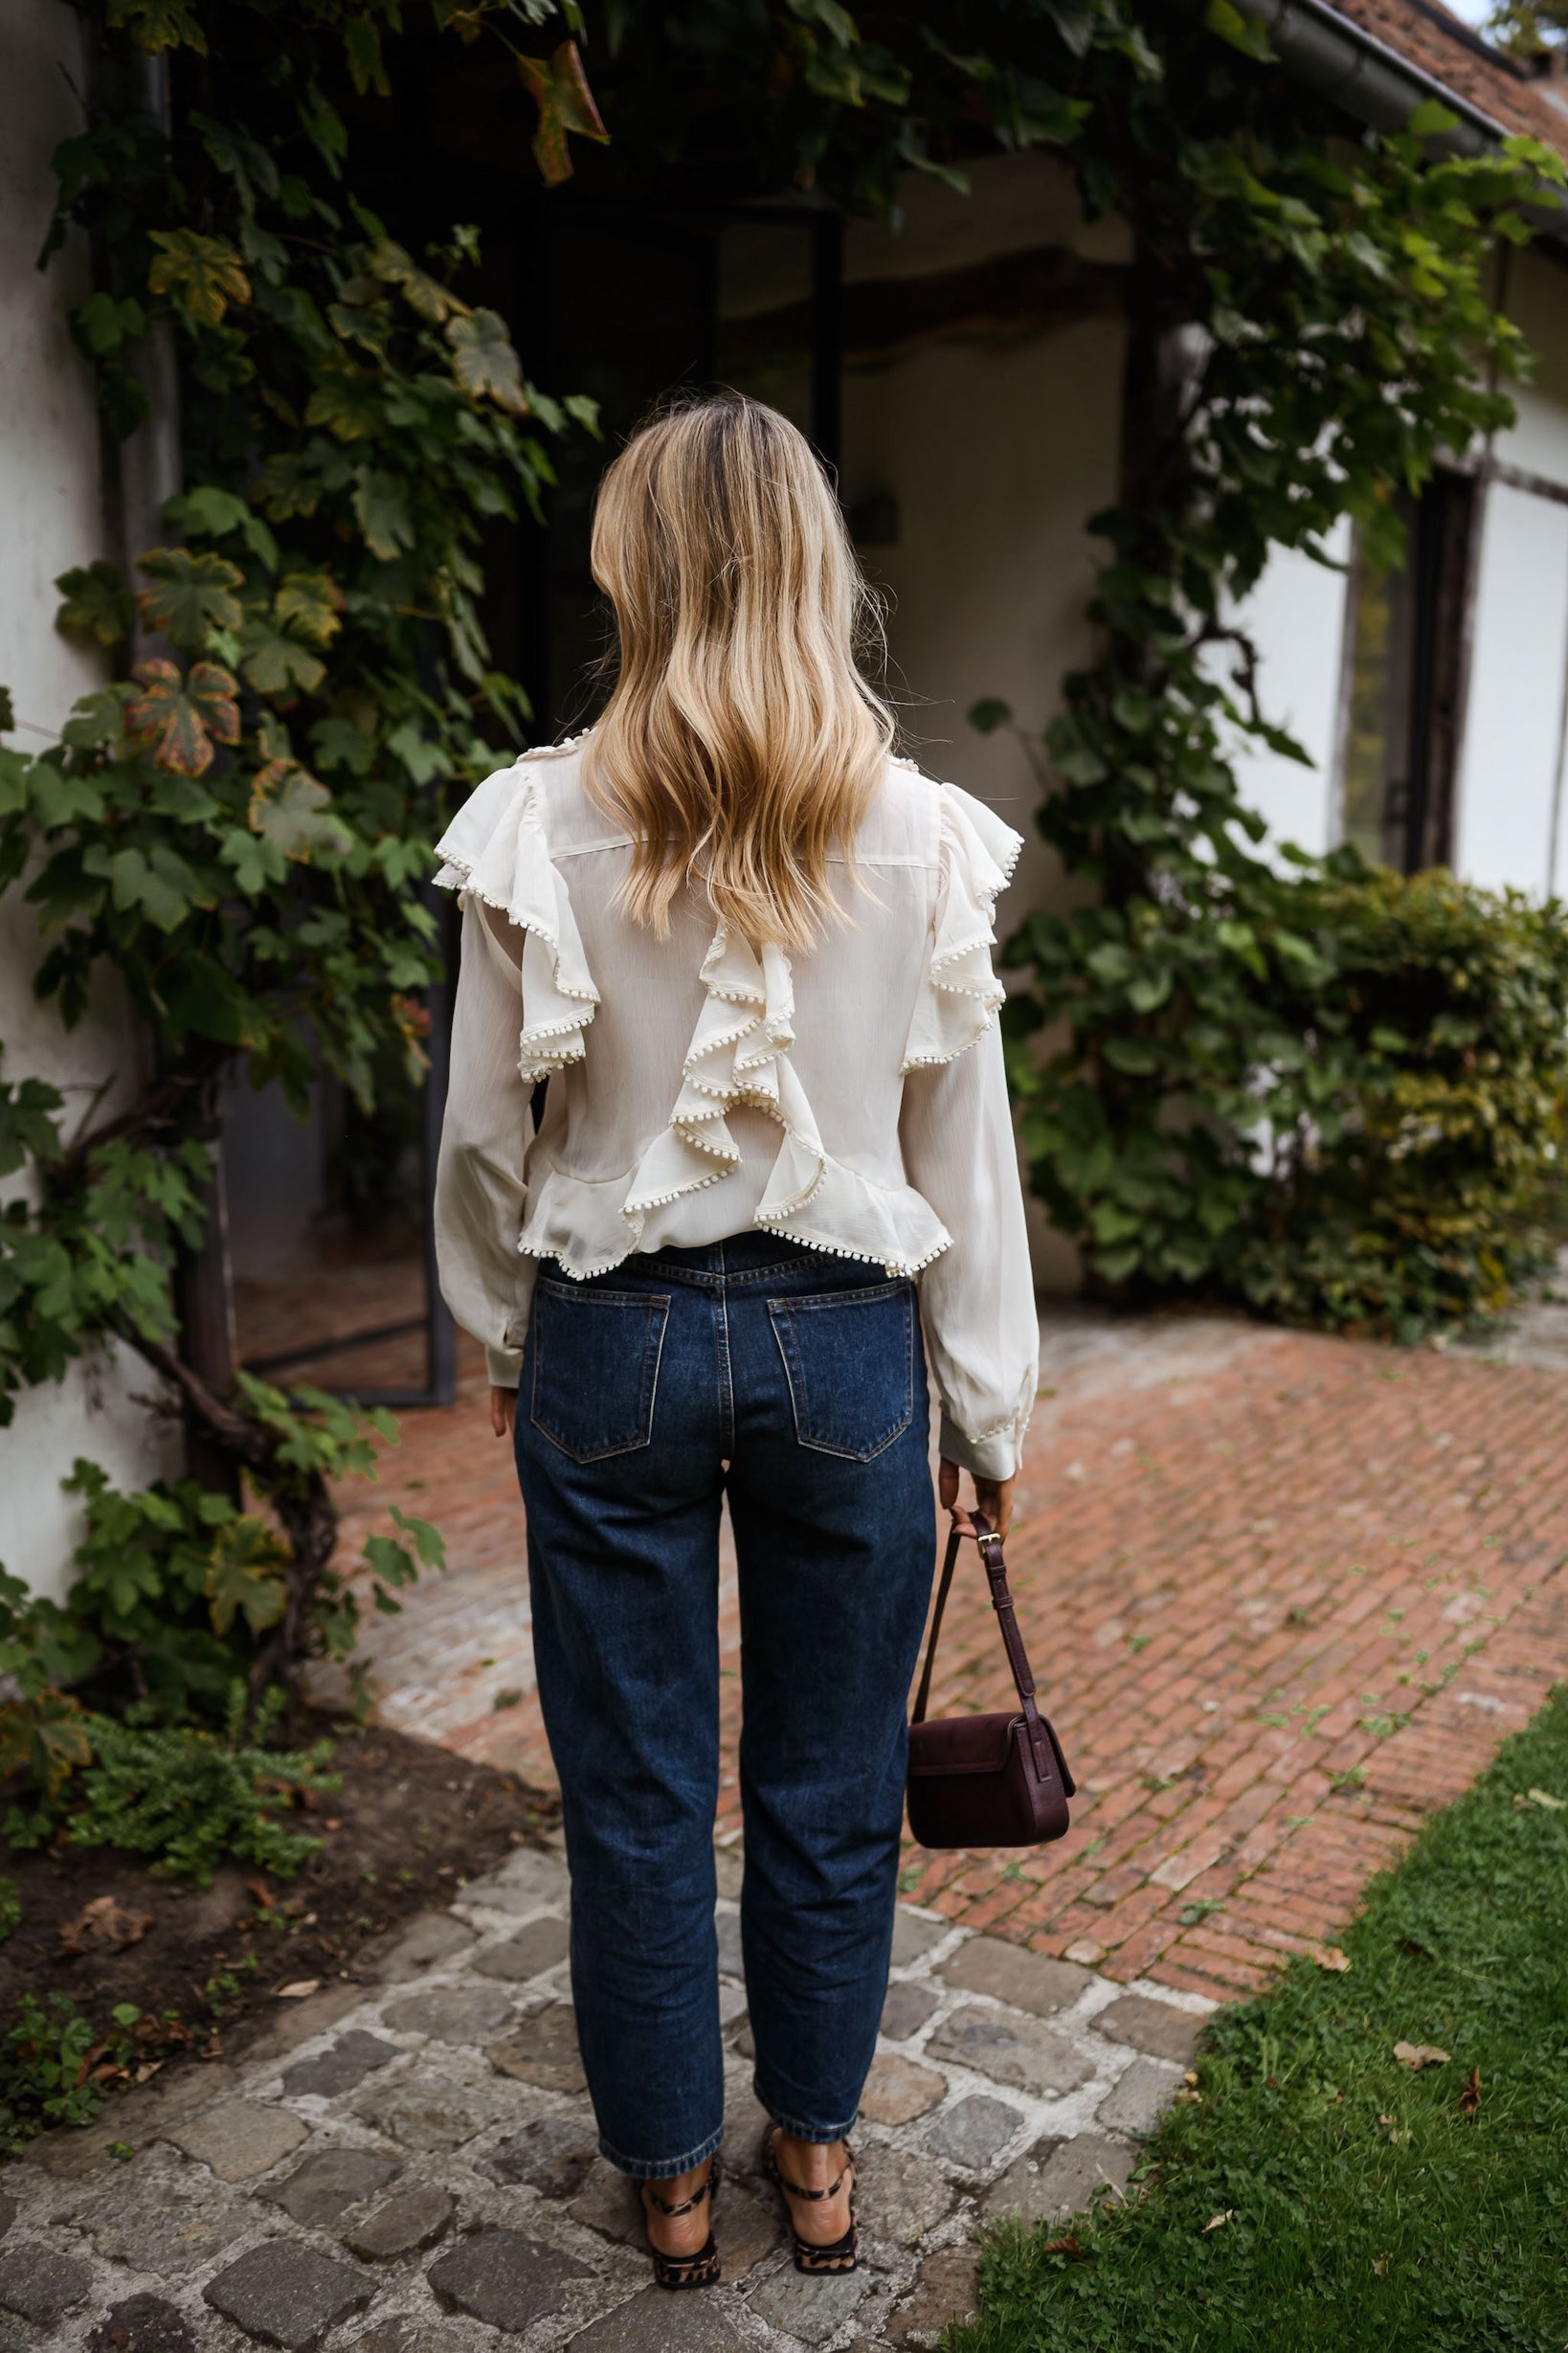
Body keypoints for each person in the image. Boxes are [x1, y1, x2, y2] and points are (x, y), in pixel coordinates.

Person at [432, 393, 1038, 2289]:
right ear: (814, 574)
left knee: (630, 1788)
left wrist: (504, 1324)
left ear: (643, 570)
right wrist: (985, 1400)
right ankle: (822, 2150)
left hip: (612, 1336)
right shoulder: (917, 833)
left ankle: (672, 2178)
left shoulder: (539, 813)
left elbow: (477, 1135)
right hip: (845, 1351)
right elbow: (966, 1144)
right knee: (828, 1777)